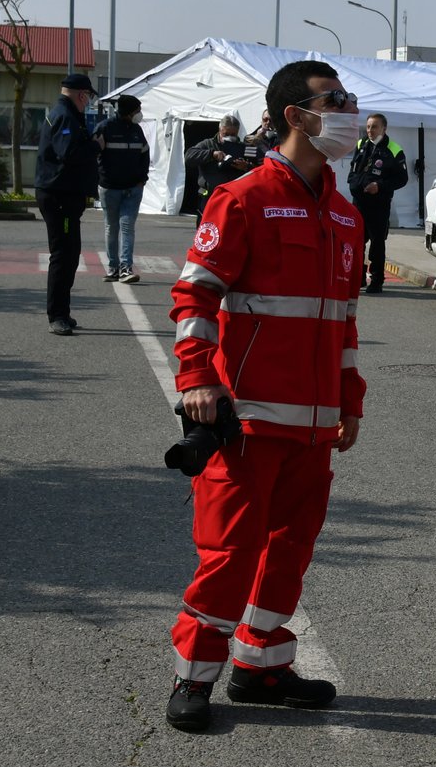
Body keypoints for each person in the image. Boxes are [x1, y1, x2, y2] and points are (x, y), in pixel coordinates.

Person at [164, 60, 368, 732]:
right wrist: (196, 378)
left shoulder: (344, 212)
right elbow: (195, 294)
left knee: (291, 548)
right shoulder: (242, 198)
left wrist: (350, 399)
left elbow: (342, 318)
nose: (349, 109)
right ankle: (194, 676)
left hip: (313, 427)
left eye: (348, 98)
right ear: (296, 116)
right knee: (230, 552)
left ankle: (260, 663)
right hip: (248, 420)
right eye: (334, 100)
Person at [35, 72, 100, 336]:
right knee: (63, 256)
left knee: (70, 254)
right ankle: (57, 315)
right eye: (88, 97)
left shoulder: (68, 114)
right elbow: (69, 153)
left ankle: (63, 311)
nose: (88, 102)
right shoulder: (65, 116)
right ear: (81, 94)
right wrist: (95, 146)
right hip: (59, 195)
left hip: (65, 194)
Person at [346, 114, 409, 294]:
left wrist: (379, 186)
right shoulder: (361, 144)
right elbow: (353, 171)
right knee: (357, 242)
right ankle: (358, 278)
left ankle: (376, 280)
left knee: (377, 243)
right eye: (368, 127)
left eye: (374, 127)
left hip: (379, 205)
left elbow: (402, 179)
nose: (370, 131)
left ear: (384, 129)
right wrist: (355, 185)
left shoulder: (394, 150)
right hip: (359, 202)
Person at [94, 94, 150, 283]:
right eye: (137, 111)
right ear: (128, 112)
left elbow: (145, 155)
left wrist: (142, 179)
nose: (139, 114)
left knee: (127, 227)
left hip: (133, 188)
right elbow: (93, 153)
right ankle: (113, 268)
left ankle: (126, 268)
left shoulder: (137, 130)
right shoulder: (105, 127)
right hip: (110, 188)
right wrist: (101, 178)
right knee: (112, 227)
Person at [185, 116, 248, 222]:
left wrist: (245, 167)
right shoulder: (208, 144)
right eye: (226, 134)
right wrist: (212, 154)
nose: (230, 137)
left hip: (233, 199)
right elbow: (189, 157)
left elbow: (258, 169)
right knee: (207, 232)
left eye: (233, 134)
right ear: (220, 130)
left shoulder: (243, 148)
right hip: (209, 197)